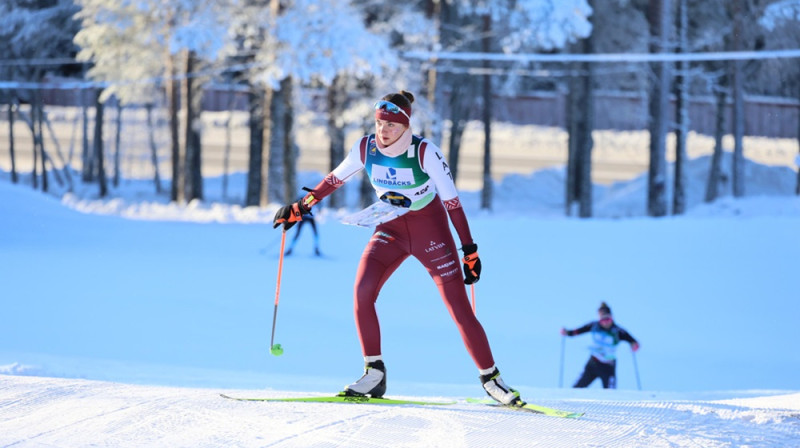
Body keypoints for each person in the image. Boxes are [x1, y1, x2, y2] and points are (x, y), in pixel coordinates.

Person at [272, 90, 523, 406]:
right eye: (379, 123)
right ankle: (374, 372)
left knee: (458, 306)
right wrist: (301, 206)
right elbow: (334, 180)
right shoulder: (365, 148)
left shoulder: (424, 152)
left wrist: (469, 251)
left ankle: (491, 379)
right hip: (390, 228)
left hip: (429, 230)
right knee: (362, 291)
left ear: (405, 126)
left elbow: (453, 204)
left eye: (391, 124)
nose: (383, 130)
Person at [560, 302, 640, 389]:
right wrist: (567, 332)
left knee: (611, 394)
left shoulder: (618, 331)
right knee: (577, 389)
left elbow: (633, 341)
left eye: (608, 320)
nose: (605, 323)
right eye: (603, 320)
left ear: (612, 318)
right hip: (593, 363)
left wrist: (634, 345)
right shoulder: (594, 326)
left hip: (608, 366)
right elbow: (577, 331)